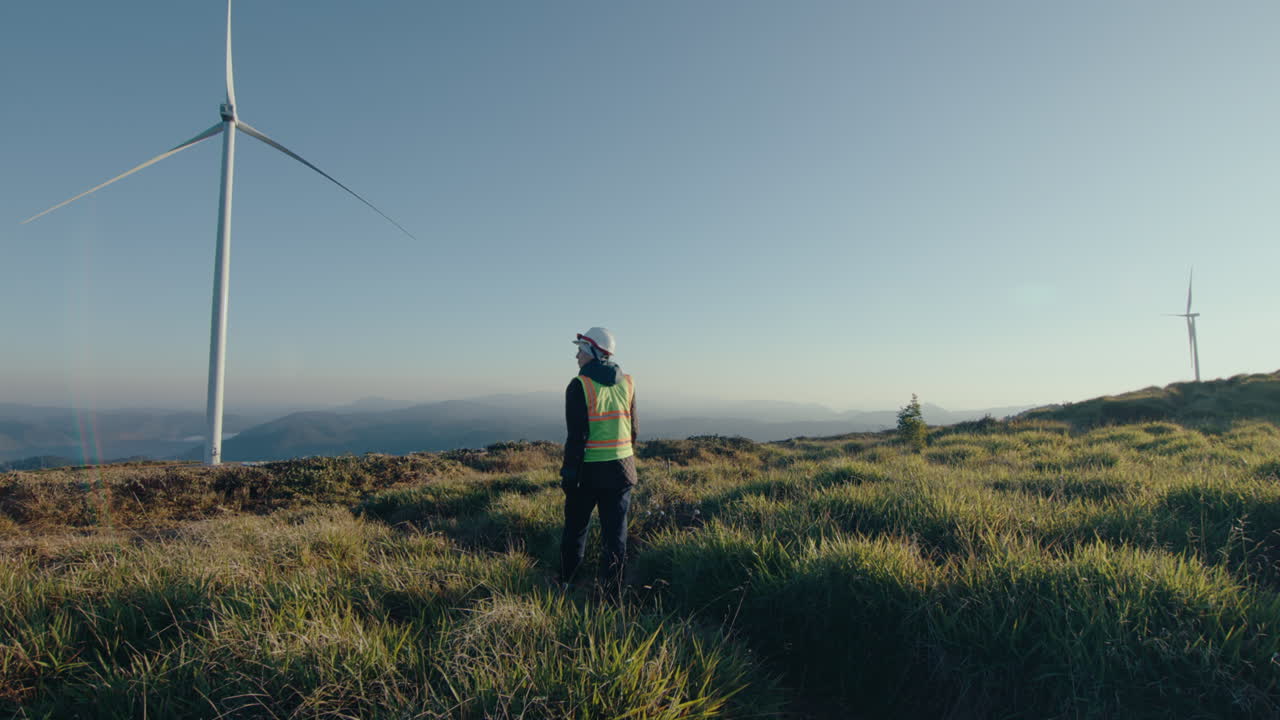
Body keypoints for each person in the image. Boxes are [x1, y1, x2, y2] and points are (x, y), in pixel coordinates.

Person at [559, 326, 637, 593]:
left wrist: (569, 474)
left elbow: (576, 436)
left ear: (593, 352)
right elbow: (633, 428)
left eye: (580, 350)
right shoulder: (628, 382)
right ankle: (613, 593)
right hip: (623, 470)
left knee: (576, 529)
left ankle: (567, 582)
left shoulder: (580, 385)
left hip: (588, 473)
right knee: (615, 535)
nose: (577, 356)